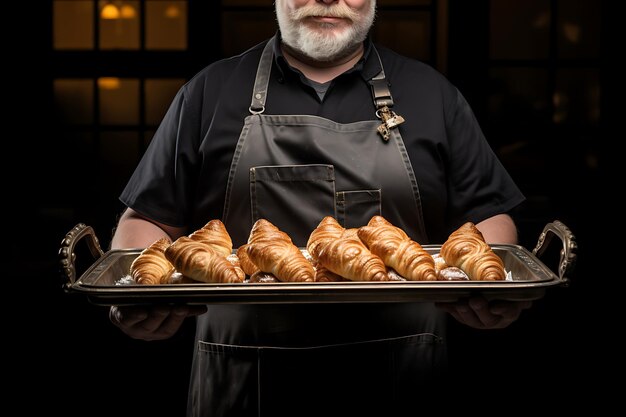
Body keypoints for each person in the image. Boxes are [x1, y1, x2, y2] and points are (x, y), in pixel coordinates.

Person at [109, 0, 531, 414]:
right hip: (242, 376)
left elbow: (488, 217)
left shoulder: (432, 94)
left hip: (405, 371)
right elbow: (147, 219)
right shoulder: (209, 92)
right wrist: (134, 294)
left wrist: (490, 290)